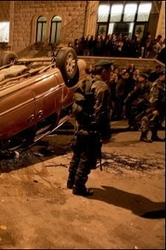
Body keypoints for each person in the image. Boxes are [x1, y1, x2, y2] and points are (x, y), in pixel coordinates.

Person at [67, 59, 113, 196]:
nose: (111, 74)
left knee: (76, 156)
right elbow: (102, 113)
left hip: (79, 127)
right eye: (110, 71)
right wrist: (105, 135)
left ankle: (70, 182)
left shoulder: (85, 82)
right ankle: (79, 187)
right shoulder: (102, 87)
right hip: (91, 131)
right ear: (104, 71)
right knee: (86, 159)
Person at [139, 72, 165, 142]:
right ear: (161, 76)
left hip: (160, 106)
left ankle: (154, 136)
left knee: (156, 121)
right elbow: (154, 97)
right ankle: (143, 136)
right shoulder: (157, 84)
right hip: (154, 105)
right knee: (149, 120)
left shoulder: (162, 84)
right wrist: (154, 109)